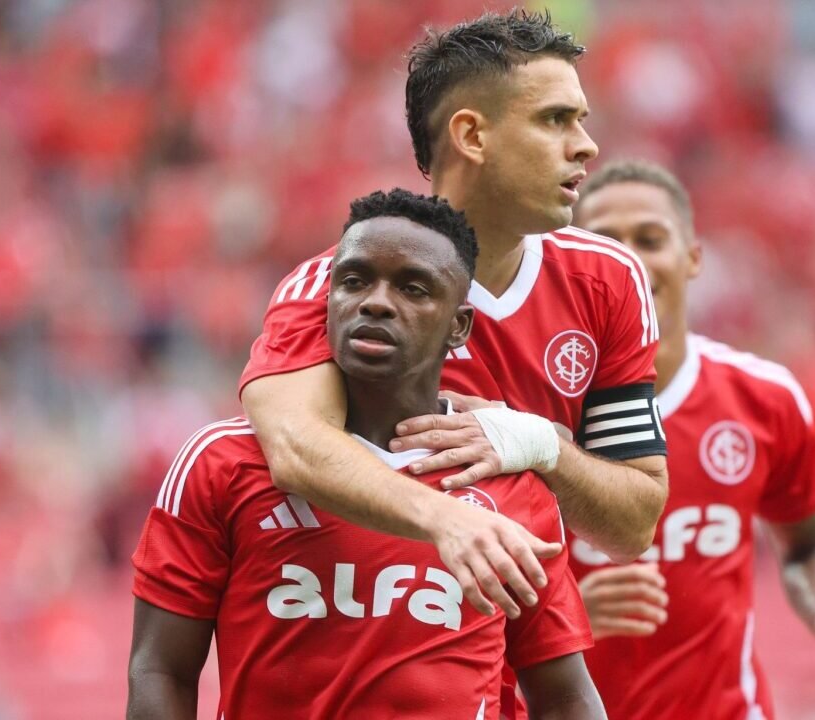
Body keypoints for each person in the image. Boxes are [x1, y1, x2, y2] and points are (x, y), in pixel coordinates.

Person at [239, 8, 668, 621]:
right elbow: (295, 447)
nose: (586, 145)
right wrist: (451, 521)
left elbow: (634, 523)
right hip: (364, 646)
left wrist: (541, 445)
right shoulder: (335, 287)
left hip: (520, 661)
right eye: (555, 120)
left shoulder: (608, 279)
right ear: (472, 136)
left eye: (581, 120)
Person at [127, 189, 606, 720]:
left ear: (459, 326)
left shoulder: (510, 484)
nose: (376, 301)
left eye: (413, 288)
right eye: (353, 281)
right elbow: (161, 670)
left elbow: (563, 696)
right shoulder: (222, 461)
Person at [568, 161, 815, 719]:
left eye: (649, 238)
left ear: (692, 258)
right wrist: (562, 618)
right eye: (605, 242)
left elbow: (808, 544)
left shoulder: (764, 399)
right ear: (570, 263)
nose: (629, 260)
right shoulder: (531, 408)